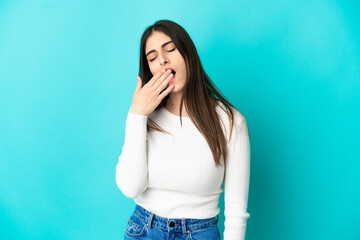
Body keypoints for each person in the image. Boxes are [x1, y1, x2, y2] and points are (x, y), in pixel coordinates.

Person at [115, 19, 251, 240]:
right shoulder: (144, 118)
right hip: (144, 230)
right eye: (152, 58)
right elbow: (131, 188)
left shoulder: (231, 122)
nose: (162, 60)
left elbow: (236, 212)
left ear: (189, 54)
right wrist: (136, 116)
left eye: (170, 49)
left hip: (199, 233)